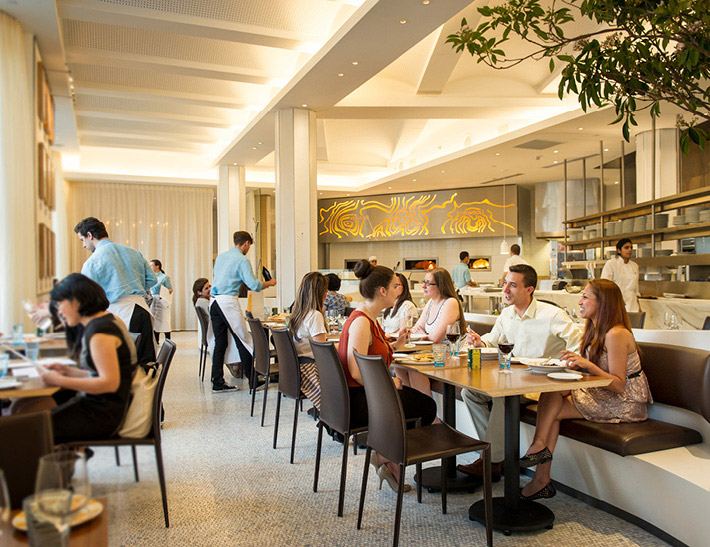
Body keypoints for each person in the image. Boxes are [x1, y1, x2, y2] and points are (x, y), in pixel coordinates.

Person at [519, 279, 652, 500]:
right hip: (600, 394)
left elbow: (619, 384)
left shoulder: (616, 334)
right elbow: (596, 373)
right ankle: (540, 462)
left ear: (603, 303)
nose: (579, 301)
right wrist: (576, 366)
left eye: (585, 297)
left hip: (624, 402)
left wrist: (586, 364)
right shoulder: (594, 329)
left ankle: (540, 463)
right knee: (552, 392)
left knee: (552, 407)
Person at [458, 264, 582, 481]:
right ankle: (496, 454)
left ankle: (492, 461)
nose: (506, 289)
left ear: (529, 289)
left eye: (513, 285)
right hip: (512, 381)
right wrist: (479, 341)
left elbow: (578, 345)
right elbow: (491, 341)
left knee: (501, 397)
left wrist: (562, 363)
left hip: (540, 384)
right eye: (505, 283)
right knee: (470, 393)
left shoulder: (552, 315)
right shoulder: (507, 314)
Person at [338, 260, 437, 492]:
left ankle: (388, 457)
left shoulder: (368, 317)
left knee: (420, 403)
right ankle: (386, 456)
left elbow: (371, 355)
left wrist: (397, 345)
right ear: (382, 291)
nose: (398, 290)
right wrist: (387, 382)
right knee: (426, 407)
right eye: (395, 286)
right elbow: (355, 370)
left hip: (364, 395)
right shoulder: (362, 322)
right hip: (361, 401)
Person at [13, 274, 137, 444]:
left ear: (76, 301)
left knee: (28, 427)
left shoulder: (100, 333)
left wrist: (60, 380)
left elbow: (109, 383)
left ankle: (50, 467)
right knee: (22, 408)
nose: (58, 311)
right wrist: (69, 372)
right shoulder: (101, 323)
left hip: (101, 415)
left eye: (60, 304)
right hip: (98, 406)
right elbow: (100, 374)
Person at [74, 217, 156, 365]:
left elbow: (87, 298)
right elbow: (152, 280)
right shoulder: (134, 252)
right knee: (147, 363)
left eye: (82, 240)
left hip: (120, 314)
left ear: (90, 236)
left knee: (124, 363)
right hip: (142, 310)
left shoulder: (92, 262)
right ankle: (148, 388)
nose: (84, 246)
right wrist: (133, 287)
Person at [210, 231, 276, 393]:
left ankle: (217, 381)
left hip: (214, 301)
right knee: (244, 340)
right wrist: (269, 283)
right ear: (246, 243)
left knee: (220, 342)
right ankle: (253, 380)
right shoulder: (242, 260)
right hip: (227, 302)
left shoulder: (221, 257)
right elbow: (254, 285)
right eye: (249, 246)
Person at [401, 268, 466, 397]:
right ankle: (411, 409)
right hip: (434, 354)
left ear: (440, 286)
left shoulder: (450, 303)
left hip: (453, 357)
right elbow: (415, 329)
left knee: (415, 369)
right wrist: (424, 335)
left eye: (428, 283)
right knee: (400, 366)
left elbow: (436, 337)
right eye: (423, 282)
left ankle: (430, 415)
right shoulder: (430, 303)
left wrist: (423, 334)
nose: (423, 286)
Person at [289, 272, 329, 410]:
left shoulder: (298, 313)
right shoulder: (315, 315)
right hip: (312, 371)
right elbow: (323, 352)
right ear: (321, 293)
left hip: (297, 369)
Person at [601, 238, 640, 312]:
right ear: (619, 250)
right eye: (626, 247)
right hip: (616, 304)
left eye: (631, 247)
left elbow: (636, 290)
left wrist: (639, 307)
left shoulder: (635, 266)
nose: (629, 250)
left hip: (633, 305)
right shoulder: (611, 264)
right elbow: (604, 286)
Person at [149, 259, 173, 343]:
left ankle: (168, 340)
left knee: (164, 321)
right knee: (155, 321)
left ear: (157, 266)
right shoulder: (151, 277)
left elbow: (170, 289)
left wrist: (166, 291)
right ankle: (156, 340)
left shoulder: (164, 277)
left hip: (162, 300)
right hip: (153, 300)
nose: (150, 267)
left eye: (152, 265)